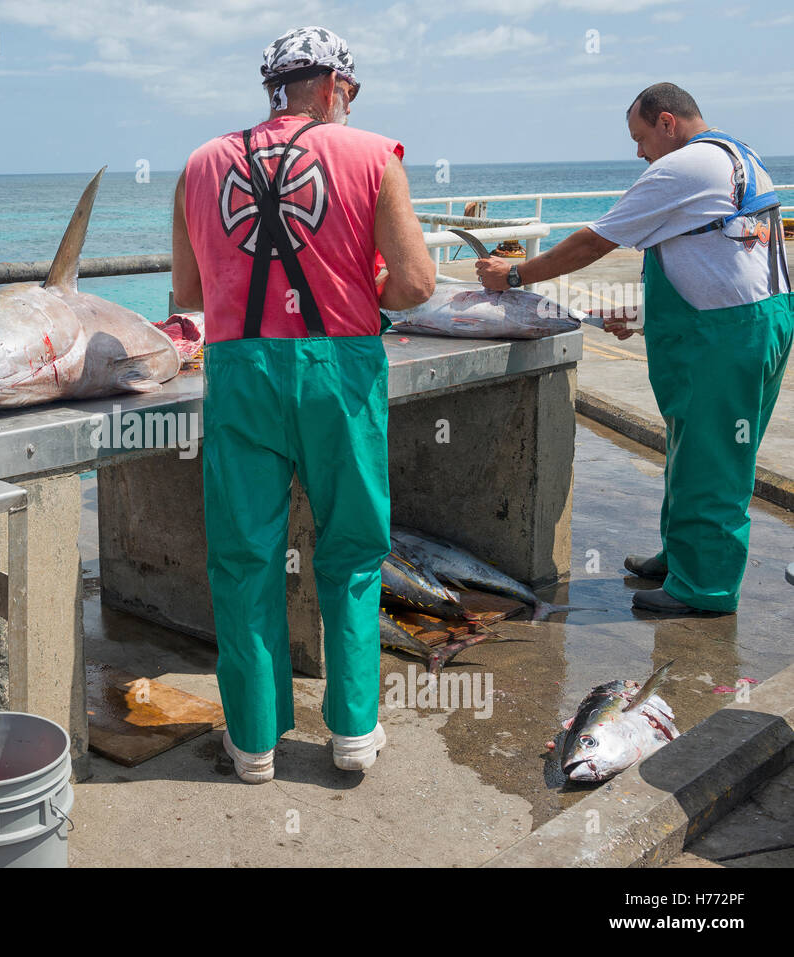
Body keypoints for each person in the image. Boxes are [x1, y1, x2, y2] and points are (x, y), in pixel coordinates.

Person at [172, 27, 434, 783]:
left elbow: (189, 293)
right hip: (339, 368)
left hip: (240, 369)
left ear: (275, 88)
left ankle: (253, 743)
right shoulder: (373, 156)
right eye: (349, 93)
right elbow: (416, 285)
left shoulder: (200, 162)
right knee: (351, 550)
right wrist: (358, 292)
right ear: (334, 89)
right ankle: (353, 730)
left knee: (244, 554)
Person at [477, 82, 792, 616]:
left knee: (712, 461)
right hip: (753, 321)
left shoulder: (681, 167)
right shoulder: (738, 154)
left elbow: (595, 241)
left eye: (641, 138)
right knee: (693, 448)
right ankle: (682, 556)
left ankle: (705, 590)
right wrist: (646, 314)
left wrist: (514, 273)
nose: (639, 153)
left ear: (667, 122)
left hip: (722, 335)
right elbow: (719, 254)